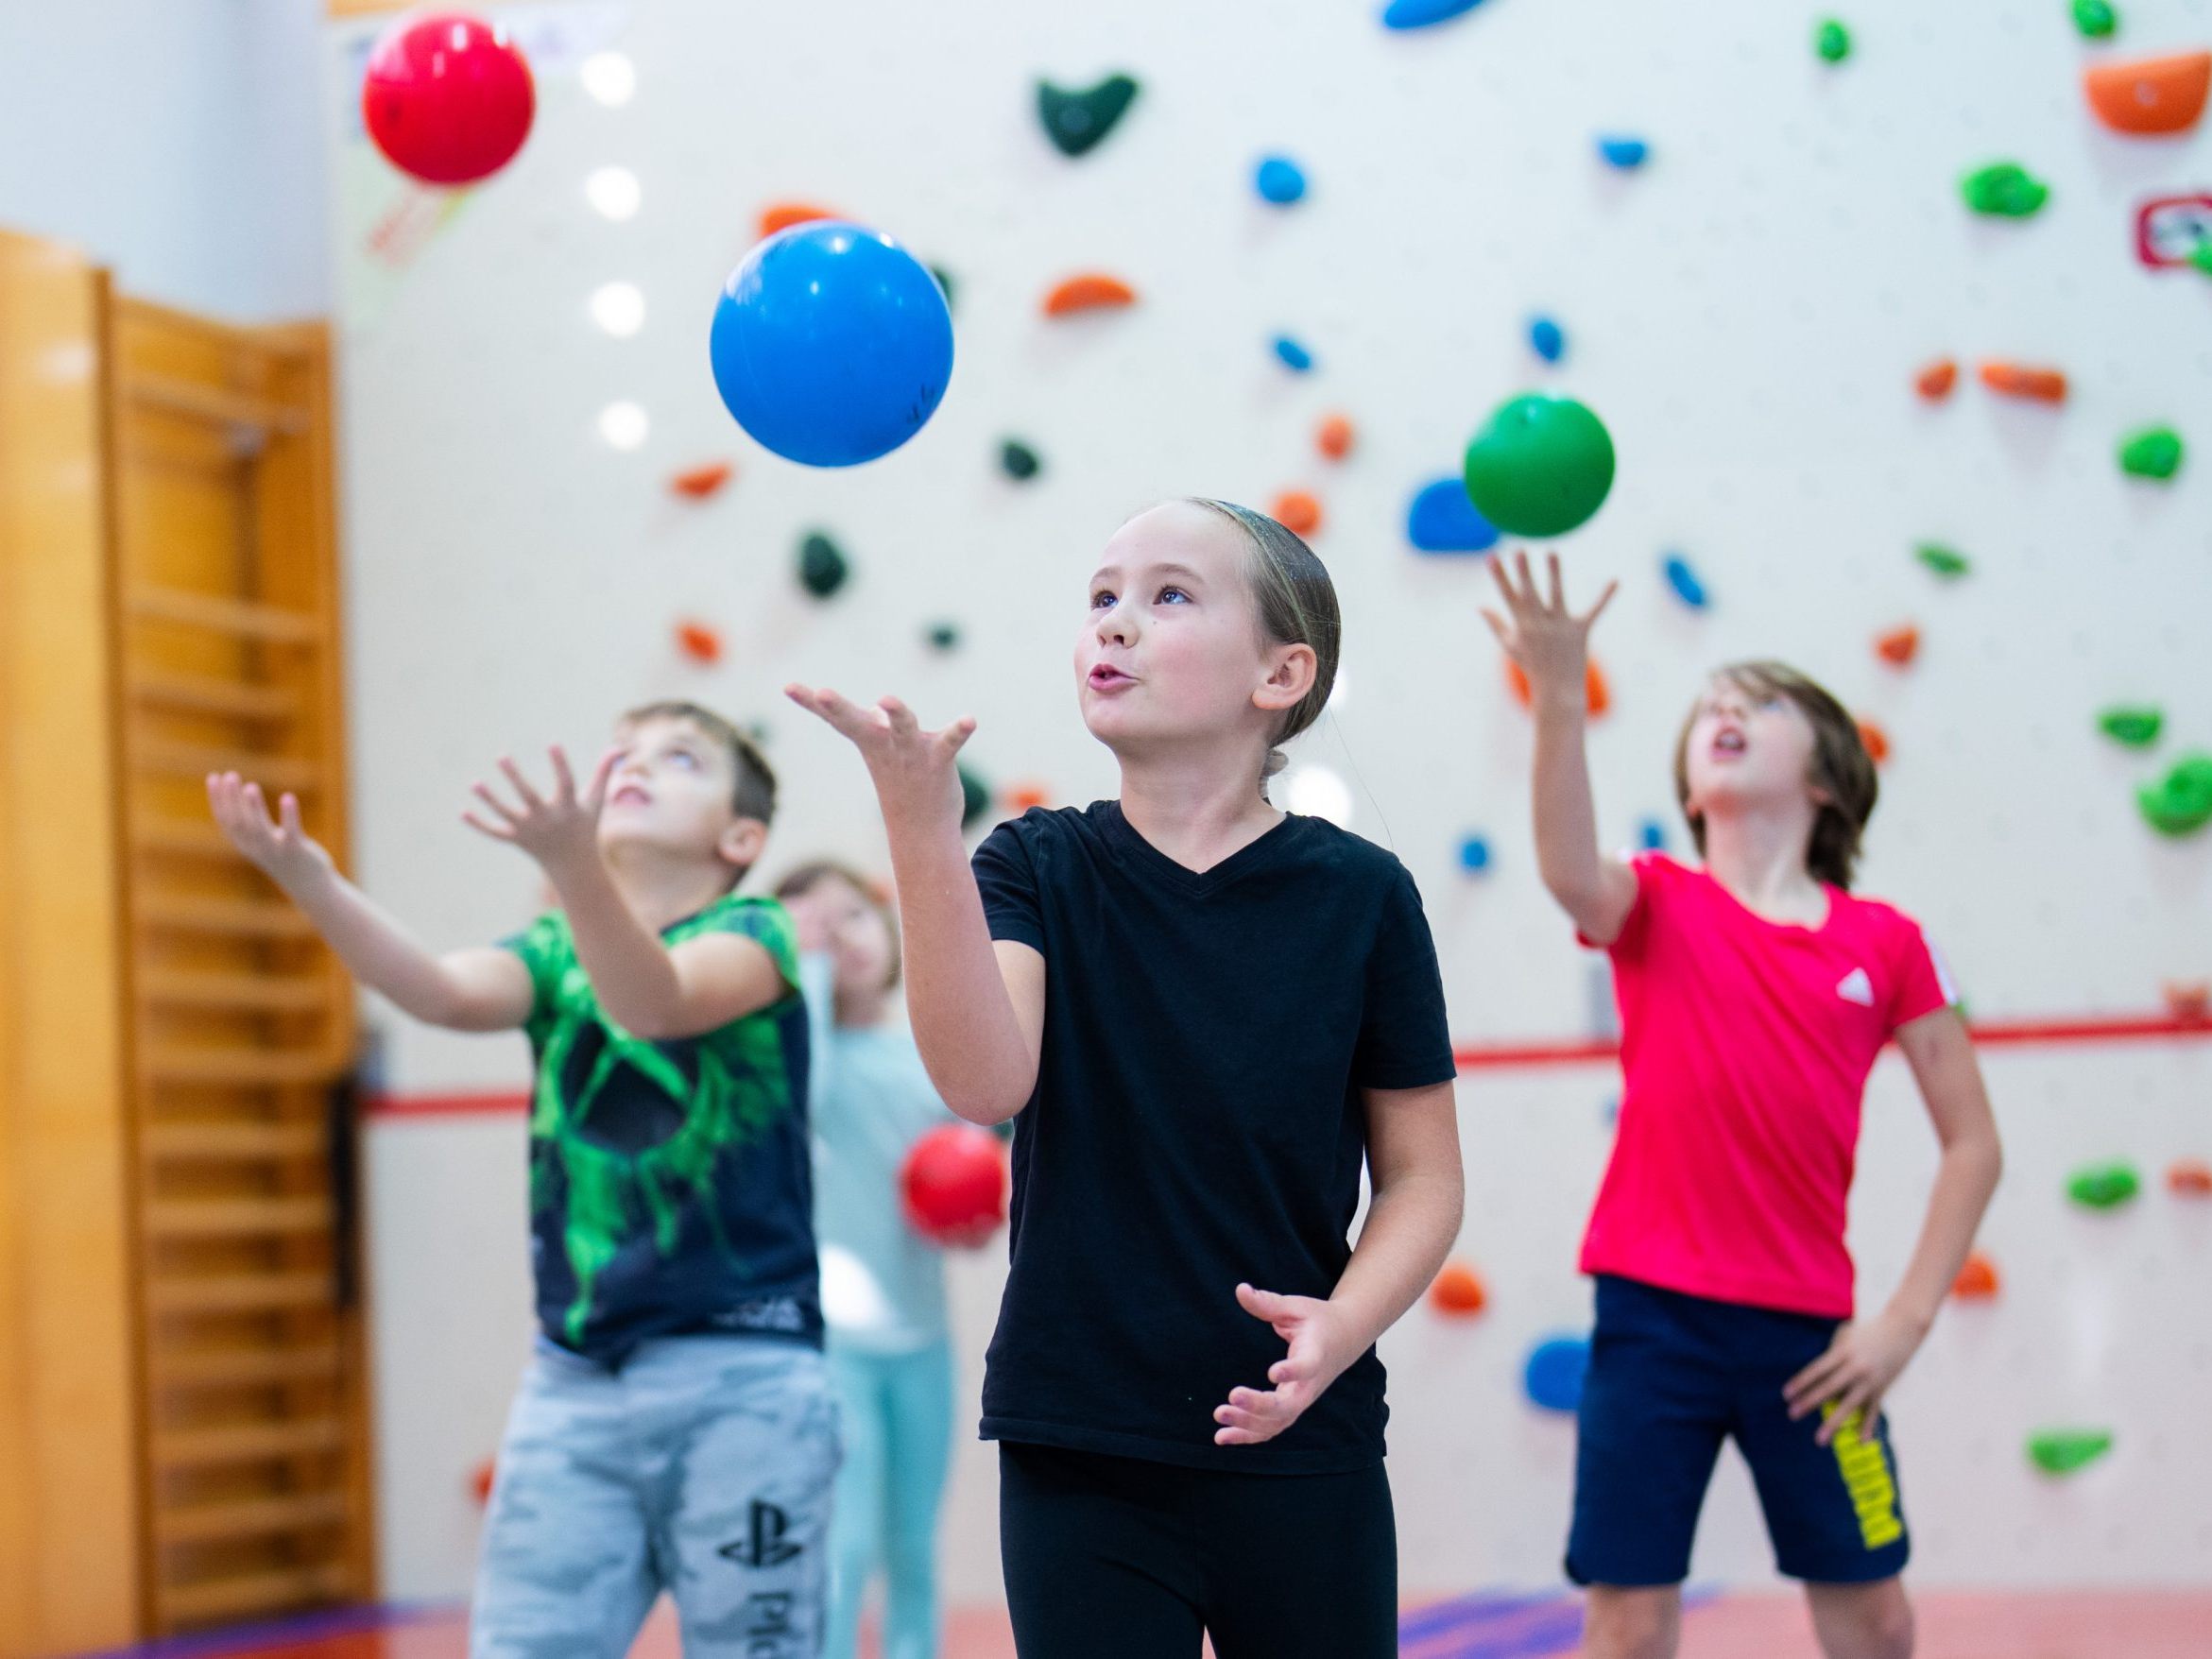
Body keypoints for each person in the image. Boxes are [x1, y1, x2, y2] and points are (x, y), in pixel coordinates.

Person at [787, 498, 1466, 1657]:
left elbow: (1423, 1178)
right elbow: (983, 1084)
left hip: (1299, 1432)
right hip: (1080, 1442)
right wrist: (920, 832)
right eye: (1101, 596)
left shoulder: (1362, 896)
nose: (1114, 622)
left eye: (1168, 595)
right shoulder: (1034, 862)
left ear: (1279, 673)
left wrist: (1344, 1324)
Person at [207, 700, 837, 1659]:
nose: (636, 766)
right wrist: (313, 882)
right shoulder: (551, 951)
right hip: (574, 1381)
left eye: (679, 759)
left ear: (739, 838)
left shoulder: (755, 932)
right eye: (623, 752)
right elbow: (437, 991)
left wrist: (574, 866)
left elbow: (653, 1004)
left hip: (743, 1372)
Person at [1483, 551, 2002, 1659]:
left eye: (1758, 705)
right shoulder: (1656, 898)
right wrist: (1560, 693)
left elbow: (1972, 1144)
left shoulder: (1889, 943)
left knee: (1877, 1619)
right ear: (1687, 785)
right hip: (1649, 1324)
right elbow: (1567, 867)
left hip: (1815, 1342)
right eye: (1711, 706)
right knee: (1627, 1625)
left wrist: (1903, 1322)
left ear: (1828, 778)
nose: (1724, 711)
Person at [776, 861, 979, 1659]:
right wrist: (806, 971)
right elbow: (805, 1095)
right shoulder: (803, 1062)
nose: (842, 938)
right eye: (817, 929)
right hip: (834, 1347)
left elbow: (975, 1170)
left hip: (924, 1342)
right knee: (845, 1546)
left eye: (853, 916)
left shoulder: (929, 1058)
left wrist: (974, 1218)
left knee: (913, 1549)